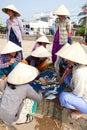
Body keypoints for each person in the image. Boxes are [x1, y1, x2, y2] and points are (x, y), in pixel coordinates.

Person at [56, 42, 87, 119]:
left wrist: (72, 92)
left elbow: (78, 94)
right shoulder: (76, 66)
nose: (66, 60)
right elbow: (62, 80)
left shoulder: (79, 72)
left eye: (68, 59)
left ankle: (81, 111)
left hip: (85, 99)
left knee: (63, 97)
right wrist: (65, 74)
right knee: (67, 77)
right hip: (81, 89)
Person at [52, 4, 71, 71]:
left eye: (60, 14)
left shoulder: (67, 21)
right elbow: (55, 28)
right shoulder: (57, 20)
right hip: (56, 39)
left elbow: (69, 31)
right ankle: (56, 68)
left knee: (61, 55)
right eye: (58, 14)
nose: (59, 16)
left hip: (63, 40)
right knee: (54, 54)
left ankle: (63, 67)